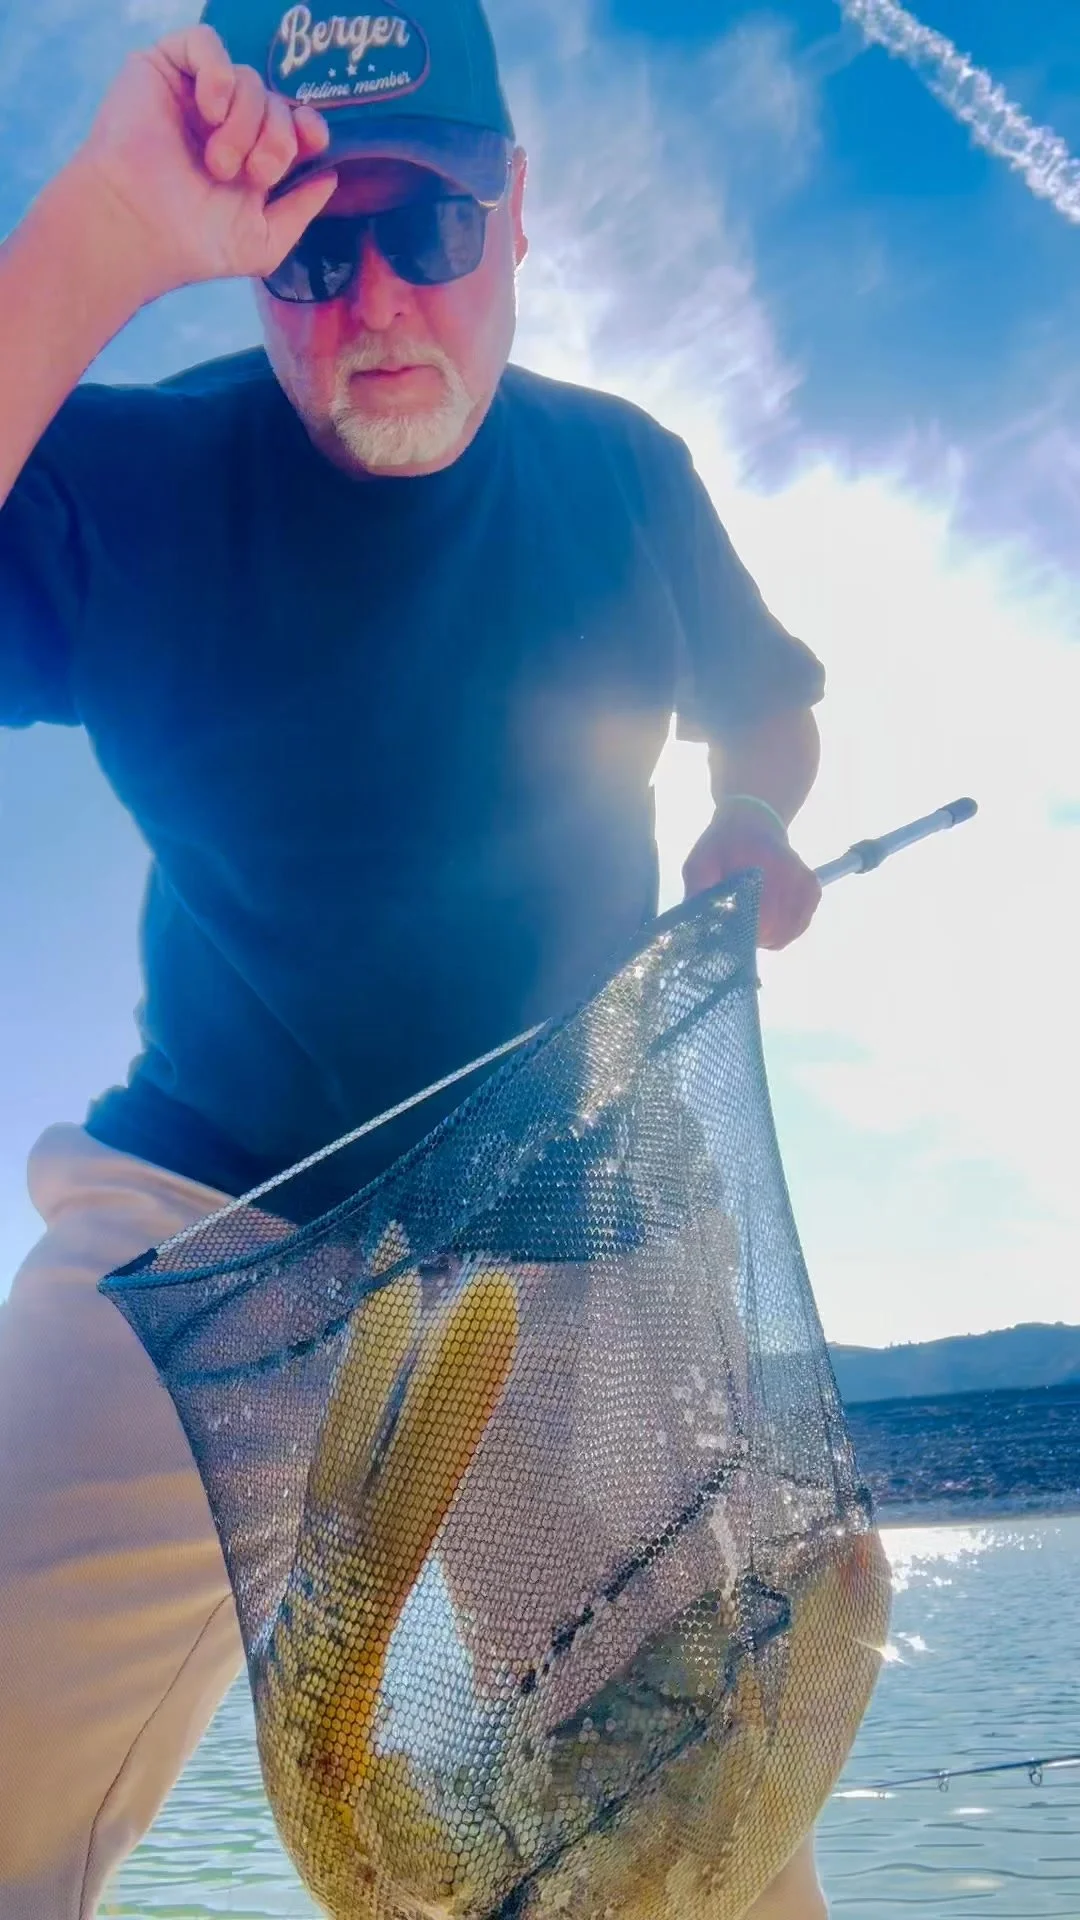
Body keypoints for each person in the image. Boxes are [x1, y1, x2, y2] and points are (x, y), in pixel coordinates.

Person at [0, 0, 830, 1912]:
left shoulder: (625, 477)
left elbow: (766, 701)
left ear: (516, 209)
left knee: (700, 1867)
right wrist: (105, 230)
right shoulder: (136, 487)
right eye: (309, 242)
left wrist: (755, 813)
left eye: (430, 227)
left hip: (573, 1223)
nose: (372, 297)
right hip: (206, 1220)